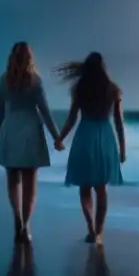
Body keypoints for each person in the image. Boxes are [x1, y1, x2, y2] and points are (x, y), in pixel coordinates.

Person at [53, 52, 126, 245]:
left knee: (85, 187)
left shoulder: (80, 89)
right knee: (101, 187)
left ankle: (91, 229)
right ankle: (99, 232)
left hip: (85, 135)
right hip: (105, 136)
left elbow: (72, 118)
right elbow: (119, 122)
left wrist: (60, 138)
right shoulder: (113, 90)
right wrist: (123, 148)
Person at [0, 41, 62, 244]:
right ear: (30, 58)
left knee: (13, 179)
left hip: (10, 129)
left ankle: (17, 220)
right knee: (30, 182)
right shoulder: (35, 81)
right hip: (31, 131)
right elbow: (45, 111)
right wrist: (56, 136)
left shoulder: (4, 81)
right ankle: (26, 225)